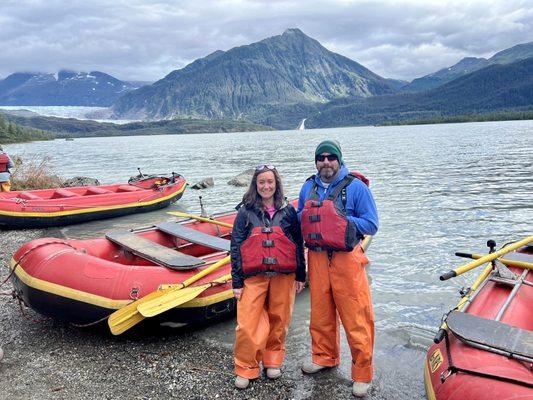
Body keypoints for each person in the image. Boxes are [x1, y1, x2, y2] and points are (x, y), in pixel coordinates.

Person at [298, 140, 379, 398]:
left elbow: (371, 224)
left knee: (357, 319)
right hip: (317, 259)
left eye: (330, 157)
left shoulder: (356, 188)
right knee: (320, 314)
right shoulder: (308, 186)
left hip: (347, 260)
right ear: (316, 162)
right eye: (320, 158)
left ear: (339, 160)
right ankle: (324, 357)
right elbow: (300, 217)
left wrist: (338, 220)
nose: (325, 162)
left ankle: (362, 374)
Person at [230, 164, 306, 389]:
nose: (266, 186)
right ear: (255, 184)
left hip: (283, 276)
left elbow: (297, 244)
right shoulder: (245, 211)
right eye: (261, 182)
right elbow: (235, 246)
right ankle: (246, 367)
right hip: (254, 276)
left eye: (270, 182)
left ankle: (273, 361)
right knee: (247, 323)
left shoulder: (288, 211)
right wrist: (236, 282)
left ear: (276, 184)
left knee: (280, 320)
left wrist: (300, 275)